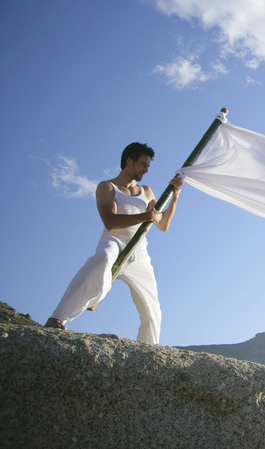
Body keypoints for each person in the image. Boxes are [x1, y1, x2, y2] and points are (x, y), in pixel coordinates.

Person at [44, 142, 182, 345]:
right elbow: (110, 221)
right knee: (101, 261)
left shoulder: (146, 191)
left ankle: (149, 351)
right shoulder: (107, 187)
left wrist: (175, 196)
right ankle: (58, 318)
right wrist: (146, 215)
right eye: (143, 164)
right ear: (129, 161)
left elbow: (163, 225)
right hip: (114, 240)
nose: (146, 170)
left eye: (148, 166)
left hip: (139, 251)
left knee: (152, 309)